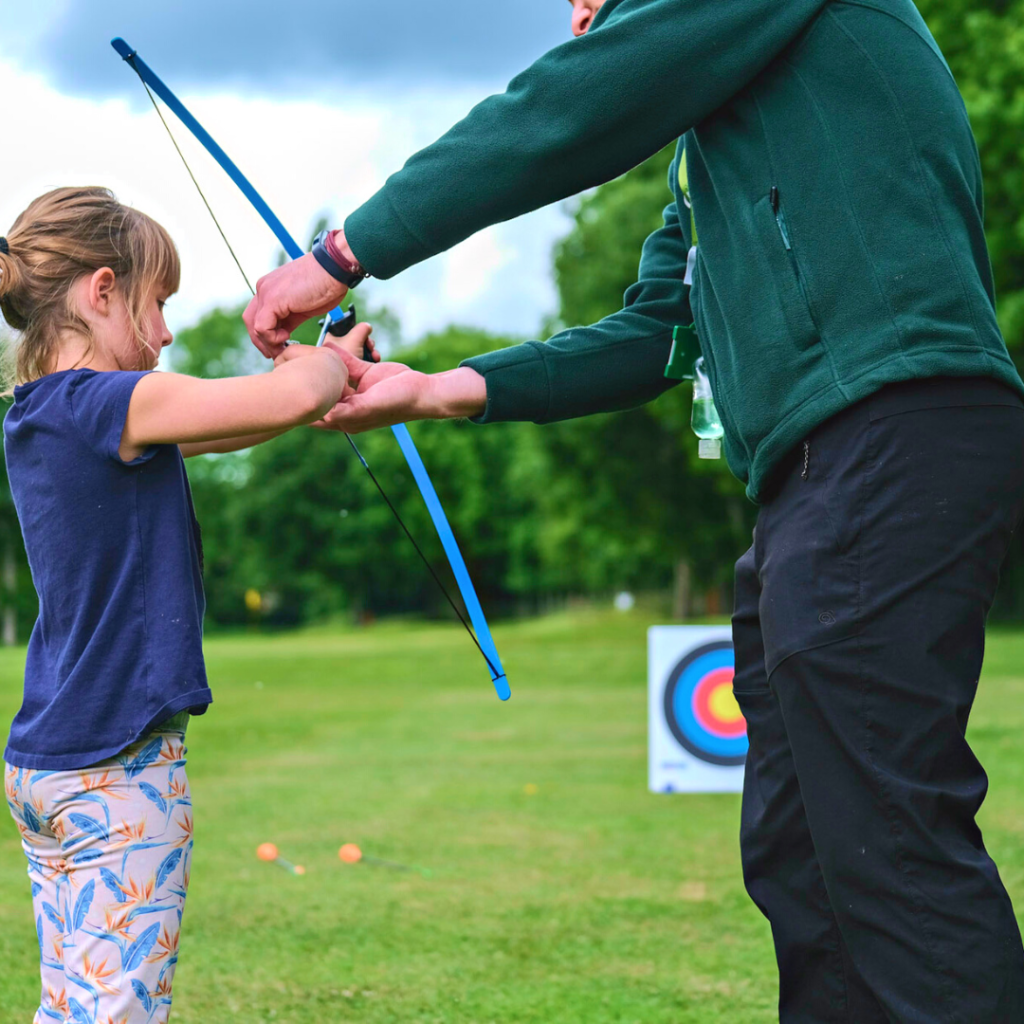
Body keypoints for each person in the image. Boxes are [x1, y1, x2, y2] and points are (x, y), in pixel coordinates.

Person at [243, 0, 1024, 1019]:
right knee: (803, 852)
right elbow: (655, 330)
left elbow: (567, 108)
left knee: (888, 843)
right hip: (811, 474)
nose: (578, 11)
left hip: (892, 427)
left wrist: (340, 255)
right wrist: (435, 387)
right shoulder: (713, 142)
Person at [0, 186, 373, 1023]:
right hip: (116, 769)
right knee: (117, 1012)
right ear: (101, 292)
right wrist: (326, 363)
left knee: (73, 1008)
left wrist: (307, 381)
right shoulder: (111, 403)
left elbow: (237, 422)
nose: (165, 332)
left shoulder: (44, 417)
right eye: (156, 303)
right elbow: (278, 401)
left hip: (48, 765)